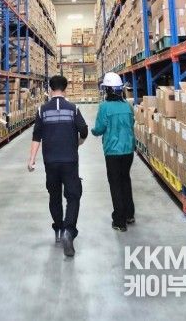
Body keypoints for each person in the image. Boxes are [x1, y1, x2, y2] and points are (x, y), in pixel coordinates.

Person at [28, 75, 88, 257]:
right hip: (70, 160)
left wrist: (31, 159)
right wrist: (78, 142)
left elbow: (36, 136)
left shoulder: (42, 110)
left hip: (51, 162)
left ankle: (59, 229)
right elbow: (84, 130)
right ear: (66, 88)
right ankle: (69, 230)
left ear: (50, 88)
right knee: (73, 196)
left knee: (54, 196)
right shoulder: (73, 109)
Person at [91, 72, 135, 232]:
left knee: (115, 183)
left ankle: (119, 221)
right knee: (125, 180)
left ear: (108, 90)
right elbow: (131, 123)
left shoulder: (104, 107)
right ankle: (129, 214)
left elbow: (100, 128)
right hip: (128, 150)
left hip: (113, 151)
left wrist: (93, 131)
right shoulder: (127, 106)